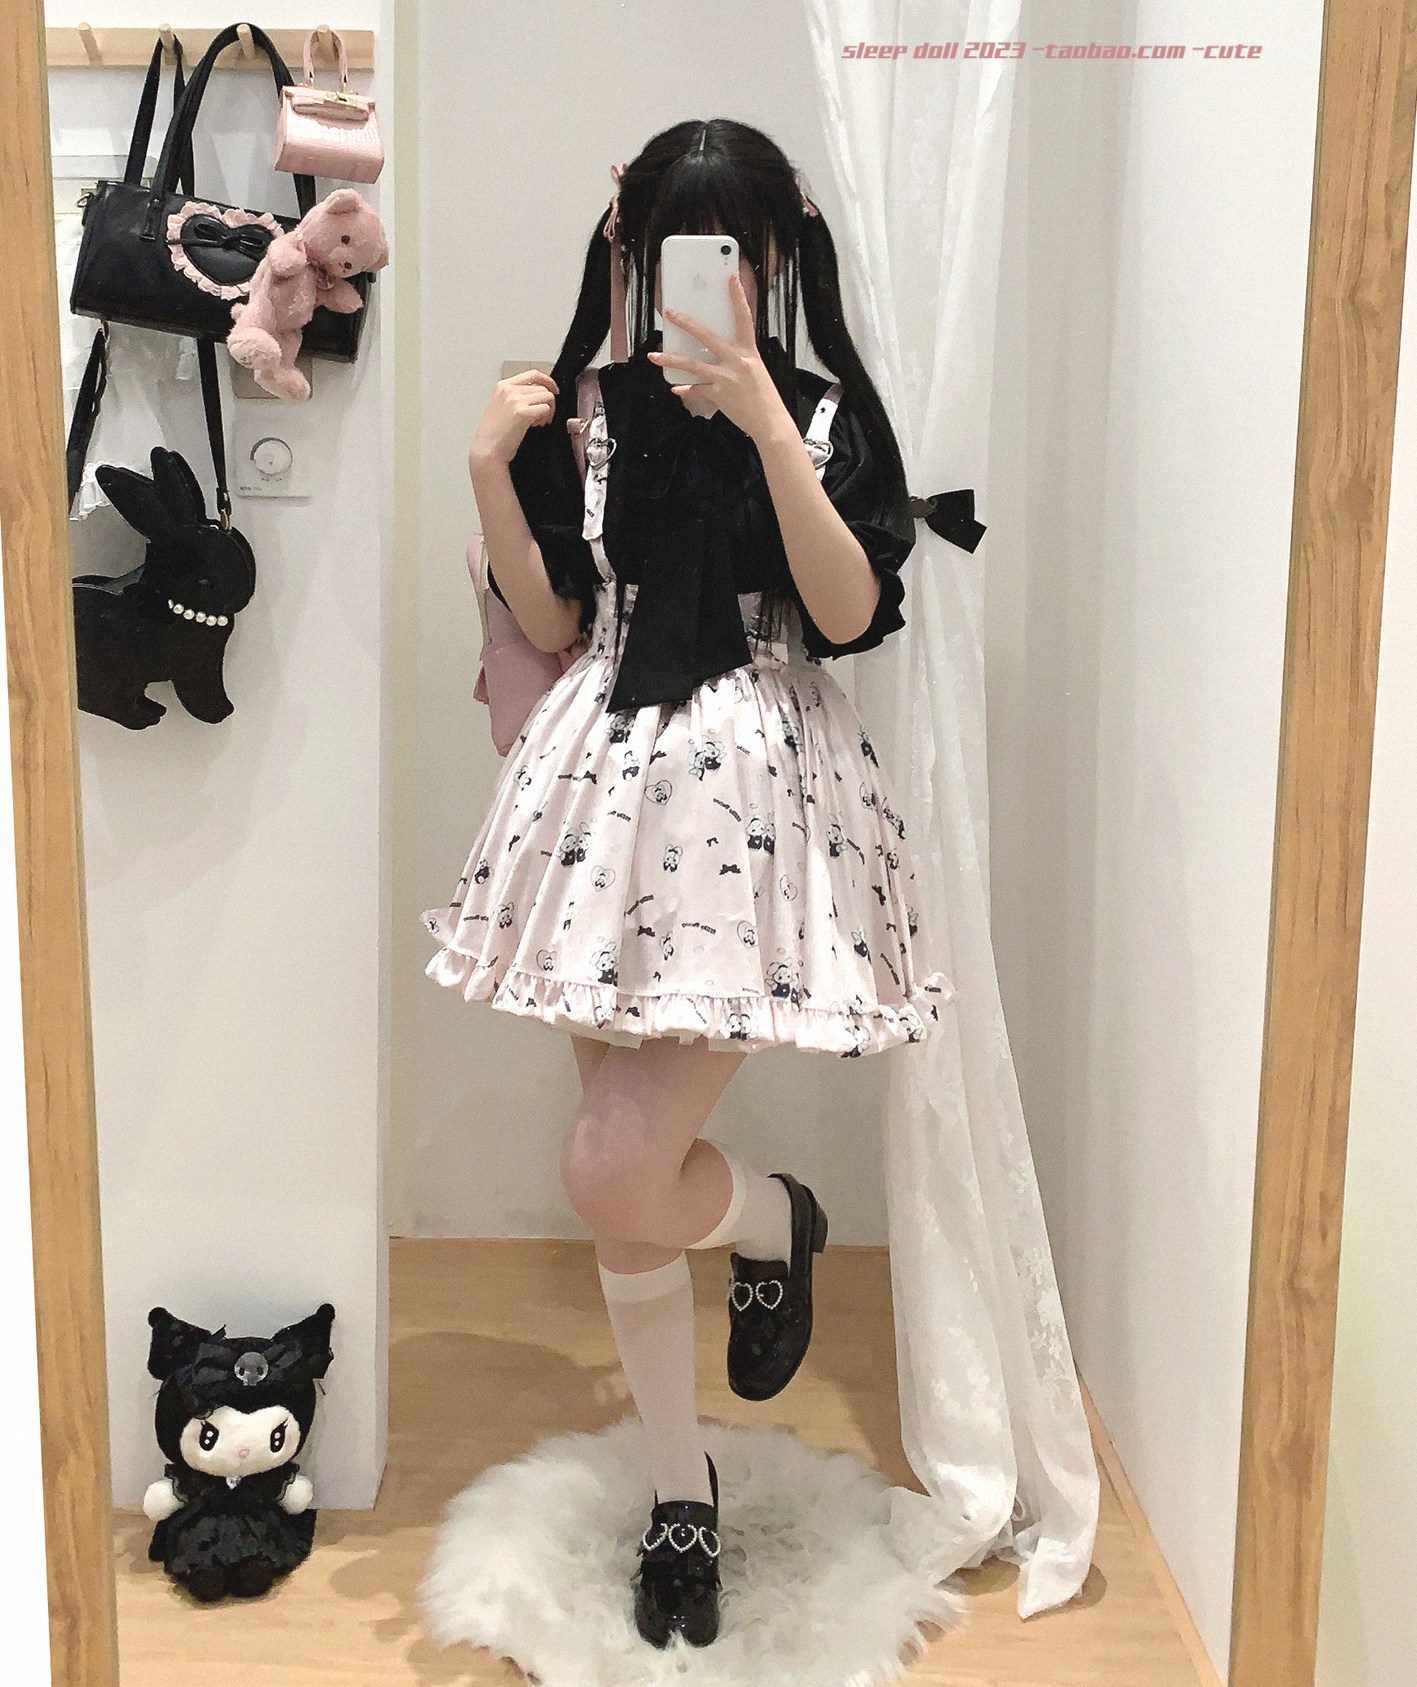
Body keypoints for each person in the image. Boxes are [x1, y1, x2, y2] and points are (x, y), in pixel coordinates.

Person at [423, 117, 953, 1649]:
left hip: (755, 803)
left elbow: (843, 612)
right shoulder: (581, 413)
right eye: (673, 245)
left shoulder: (826, 411)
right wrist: (485, 467)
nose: (703, 270)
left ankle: (777, 1221)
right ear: (632, 250)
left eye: (730, 245)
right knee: (624, 1184)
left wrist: (769, 428)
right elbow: (552, 618)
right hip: (596, 792)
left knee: (613, 1166)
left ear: (773, 254)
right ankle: (679, 1488)